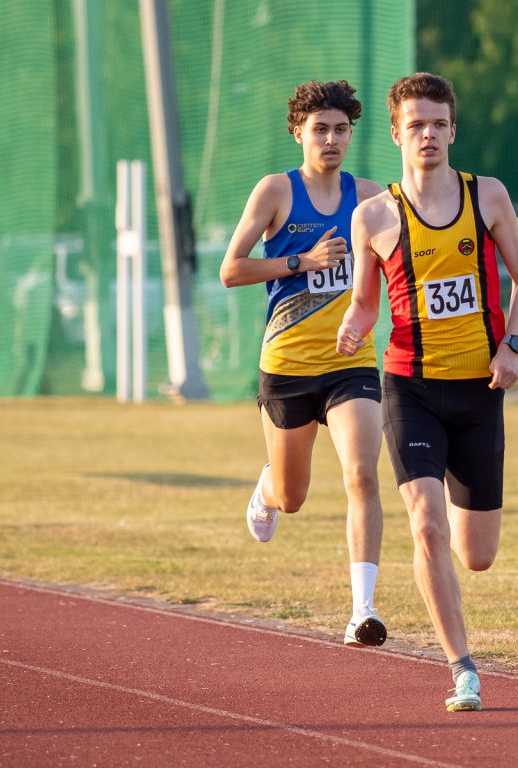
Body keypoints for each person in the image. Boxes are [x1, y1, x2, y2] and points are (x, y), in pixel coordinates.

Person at [336, 72, 518, 712]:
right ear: (396, 134)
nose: (428, 134)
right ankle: (463, 669)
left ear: (453, 131)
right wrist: (352, 324)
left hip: (479, 390)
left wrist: (512, 347)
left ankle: (448, 551)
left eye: (439, 124)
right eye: (416, 124)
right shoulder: (373, 215)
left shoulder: (488, 196)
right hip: (410, 389)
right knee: (425, 524)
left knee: (475, 555)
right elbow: (366, 303)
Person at [219, 80, 387, 648]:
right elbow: (231, 270)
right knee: (293, 497)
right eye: (320, 130)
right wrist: (301, 261)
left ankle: (363, 611)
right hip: (288, 363)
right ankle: (267, 487)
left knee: (362, 473)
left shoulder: (370, 197)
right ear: (299, 133)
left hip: (351, 361)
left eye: (341, 130)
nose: (331, 139)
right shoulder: (276, 191)